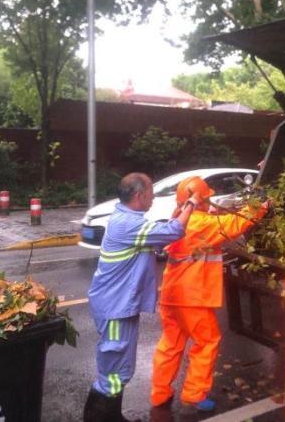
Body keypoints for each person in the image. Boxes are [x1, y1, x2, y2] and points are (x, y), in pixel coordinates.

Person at [83, 172, 200, 422]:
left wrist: (179, 209)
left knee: (120, 365)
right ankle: (101, 418)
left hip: (120, 303)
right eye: (151, 193)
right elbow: (174, 231)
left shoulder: (130, 220)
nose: (153, 198)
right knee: (114, 366)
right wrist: (192, 203)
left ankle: (111, 416)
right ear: (139, 195)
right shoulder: (128, 224)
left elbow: (161, 233)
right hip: (115, 306)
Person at [151, 176, 270, 412]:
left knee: (170, 344)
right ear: (201, 198)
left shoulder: (180, 219)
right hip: (192, 297)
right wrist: (261, 208)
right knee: (207, 341)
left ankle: (159, 392)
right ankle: (194, 394)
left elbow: (216, 221)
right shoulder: (202, 224)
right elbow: (235, 223)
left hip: (171, 295)